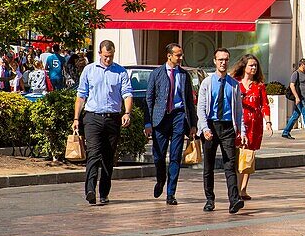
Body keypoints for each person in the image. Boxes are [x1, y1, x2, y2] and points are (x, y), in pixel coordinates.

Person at [72, 40, 133, 206]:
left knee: (108, 156)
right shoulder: (89, 70)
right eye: (106, 56)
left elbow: (127, 94)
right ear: (99, 53)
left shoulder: (120, 72)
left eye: (111, 56)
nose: (108, 59)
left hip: (113, 118)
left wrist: (127, 112)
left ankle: (104, 192)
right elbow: (81, 95)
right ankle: (90, 190)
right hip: (92, 117)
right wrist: (76, 118)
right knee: (93, 153)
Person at [144, 43, 198, 205]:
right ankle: (161, 180)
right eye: (178, 55)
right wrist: (148, 123)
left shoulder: (183, 75)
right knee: (159, 156)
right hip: (160, 119)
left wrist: (193, 124)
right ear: (169, 56)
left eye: (181, 55)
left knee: (175, 157)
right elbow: (149, 99)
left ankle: (171, 193)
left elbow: (189, 100)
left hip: (178, 117)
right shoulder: (157, 74)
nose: (180, 58)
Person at [196, 48, 245, 214]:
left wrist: (242, 131)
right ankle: (210, 200)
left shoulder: (234, 85)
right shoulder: (207, 83)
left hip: (227, 127)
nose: (223, 63)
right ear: (215, 61)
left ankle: (234, 200)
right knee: (208, 166)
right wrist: (204, 128)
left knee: (230, 165)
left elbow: (239, 110)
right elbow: (201, 108)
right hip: (210, 126)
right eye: (220, 60)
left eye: (225, 60)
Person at [233, 54, 272, 201]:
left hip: (254, 125)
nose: (254, 68)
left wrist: (268, 122)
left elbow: (264, 105)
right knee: (238, 155)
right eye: (251, 65)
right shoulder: (235, 83)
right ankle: (235, 188)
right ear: (244, 66)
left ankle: (243, 189)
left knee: (248, 156)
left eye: (256, 65)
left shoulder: (259, 85)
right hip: (239, 123)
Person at [281, 58, 305, 140]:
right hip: (300, 98)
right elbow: (292, 85)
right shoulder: (296, 74)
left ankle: (286, 132)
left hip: (303, 98)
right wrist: (296, 97)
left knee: (295, 116)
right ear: (302, 65)